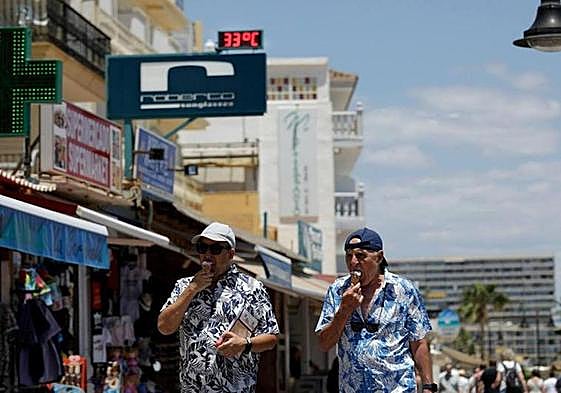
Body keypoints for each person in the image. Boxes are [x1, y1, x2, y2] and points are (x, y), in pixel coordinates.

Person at [157, 222, 279, 392]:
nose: (207, 254)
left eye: (215, 249)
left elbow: (271, 337)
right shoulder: (184, 286)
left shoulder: (252, 289)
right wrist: (192, 289)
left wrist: (244, 344)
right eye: (202, 248)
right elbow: (164, 327)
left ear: (231, 254)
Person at [315, 227, 435, 393]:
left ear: (379, 257)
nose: (353, 262)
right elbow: (324, 343)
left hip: (397, 388)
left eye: (361, 256)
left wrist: (429, 386)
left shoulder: (403, 289)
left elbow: (419, 343)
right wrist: (344, 310)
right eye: (349, 255)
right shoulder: (337, 290)